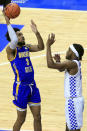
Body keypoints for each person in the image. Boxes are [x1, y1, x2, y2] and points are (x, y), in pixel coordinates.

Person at [3, 12, 44, 131]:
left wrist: (37, 32)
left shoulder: (27, 47)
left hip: (32, 86)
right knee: (21, 119)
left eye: (22, 34)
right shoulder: (11, 51)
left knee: (38, 117)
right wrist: (7, 20)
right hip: (20, 88)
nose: (22, 36)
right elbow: (14, 39)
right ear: (13, 38)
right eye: (19, 35)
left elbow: (41, 47)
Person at [46, 33, 84, 131]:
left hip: (73, 102)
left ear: (73, 53)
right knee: (69, 128)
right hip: (73, 101)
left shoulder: (71, 63)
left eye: (68, 50)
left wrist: (48, 46)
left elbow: (50, 64)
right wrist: (58, 62)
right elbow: (61, 69)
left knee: (73, 129)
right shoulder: (73, 64)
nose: (66, 52)